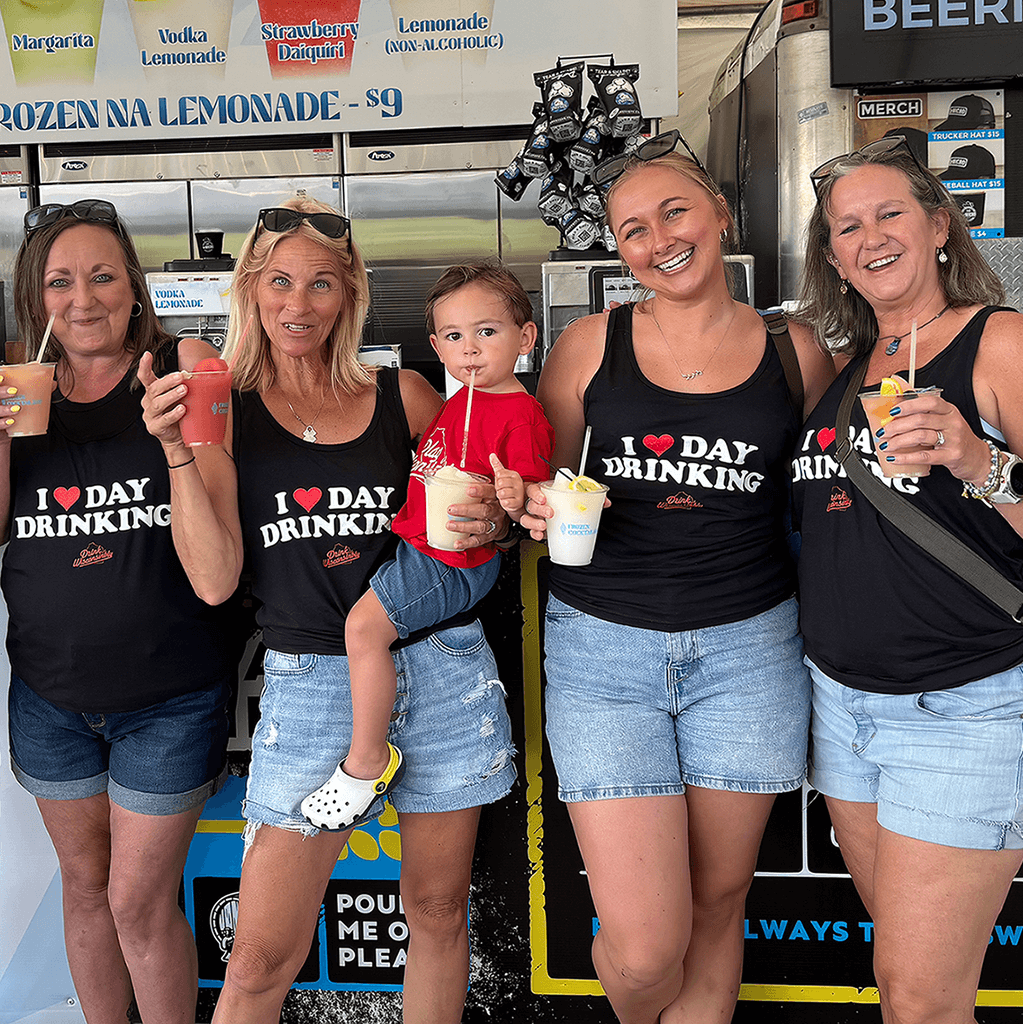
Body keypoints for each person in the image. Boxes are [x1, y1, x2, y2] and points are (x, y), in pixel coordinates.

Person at [140, 196, 518, 1024]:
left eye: (320, 283)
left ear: (348, 293)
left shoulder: (406, 396)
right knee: (259, 958)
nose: (298, 303)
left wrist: (494, 519)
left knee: (437, 914)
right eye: (279, 281)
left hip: (442, 668)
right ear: (250, 285)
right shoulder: (223, 410)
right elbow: (214, 580)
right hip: (313, 684)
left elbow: (482, 513)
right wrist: (175, 451)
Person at [520, 133, 835, 1024]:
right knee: (646, 948)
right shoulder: (588, 345)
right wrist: (526, 504)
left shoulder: (795, 351)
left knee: (716, 905)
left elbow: (827, 494)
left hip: (750, 652)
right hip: (602, 655)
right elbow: (545, 483)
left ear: (720, 215)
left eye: (674, 213)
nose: (659, 240)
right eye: (632, 229)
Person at [792, 136, 1023, 1023]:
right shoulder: (845, 372)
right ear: (833, 260)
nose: (870, 237)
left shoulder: (998, 342)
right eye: (847, 227)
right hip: (843, 708)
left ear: (938, 226)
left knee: (922, 998)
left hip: (961, 705)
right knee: (905, 986)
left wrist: (977, 462)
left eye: (889, 213)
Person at [3, 199, 239, 1024]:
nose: (82, 299)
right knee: (85, 887)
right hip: (49, 696)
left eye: (102, 276)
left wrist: (170, 441)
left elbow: (217, 575)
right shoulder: (17, 386)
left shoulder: (184, 369)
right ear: (35, 300)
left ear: (134, 288)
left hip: (168, 696)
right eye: (59, 282)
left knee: (137, 902)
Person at [300, 261, 553, 831]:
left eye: (487, 331)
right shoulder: (459, 401)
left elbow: (530, 500)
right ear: (437, 347)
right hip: (422, 548)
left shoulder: (521, 415)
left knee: (364, 631)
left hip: (453, 559)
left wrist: (516, 497)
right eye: (455, 336)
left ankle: (367, 761)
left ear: (525, 338)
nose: (471, 349)